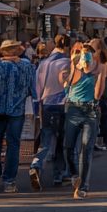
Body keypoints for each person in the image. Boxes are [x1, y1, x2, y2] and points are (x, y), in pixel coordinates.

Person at [0, 40, 34, 192]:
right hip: (17, 110)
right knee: (13, 145)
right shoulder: (27, 67)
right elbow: (32, 89)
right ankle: (9, 181)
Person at [60, 40, 106, 199]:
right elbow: (66, 85)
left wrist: (98, 75)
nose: (84, 56)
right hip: (73, 109)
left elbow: (97, 95)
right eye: (80, 53)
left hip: (90, 111)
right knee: (68, 147)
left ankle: (83, 186)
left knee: (85, 149)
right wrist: (72, 72)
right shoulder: (72, 67)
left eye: (87, 54)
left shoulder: (100, 68)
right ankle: (74, 174)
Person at [28, 34, 71, 190]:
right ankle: (58, 174)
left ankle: (36, 164)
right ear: (67, 46)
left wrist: (36, 108)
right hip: (63, 104)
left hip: (46, 104)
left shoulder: (44, 63)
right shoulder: (67, 62)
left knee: (45, 140)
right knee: (61, 141)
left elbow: (36, 87)